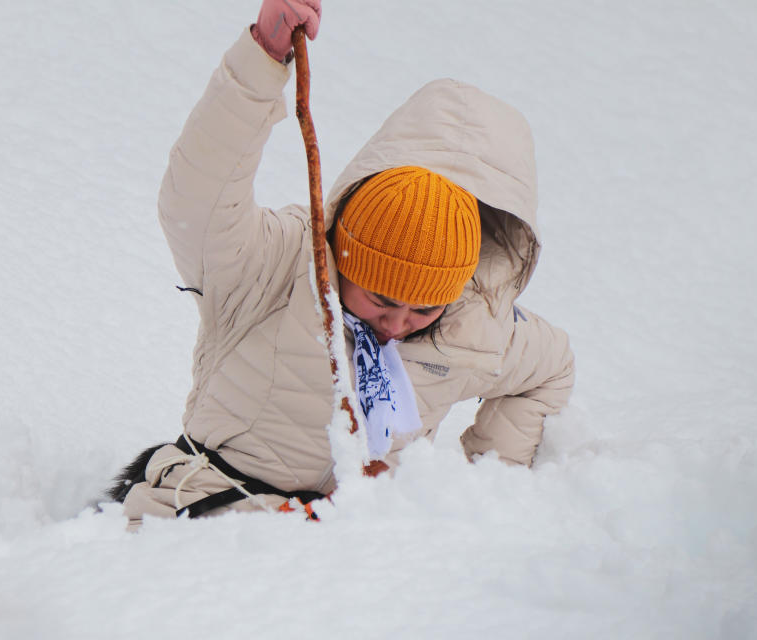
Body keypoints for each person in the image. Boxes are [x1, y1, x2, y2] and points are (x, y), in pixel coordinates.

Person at [112, 0, 574, 528]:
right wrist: (262, 58)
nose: (397, 324)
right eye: (379, 297)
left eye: (424, 307)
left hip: (351, 572)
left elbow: (550, 369)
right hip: (208, 525)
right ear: (343, 256)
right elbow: (197, 199)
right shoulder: (273, 269)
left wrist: (490, 490)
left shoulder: (477, 328)